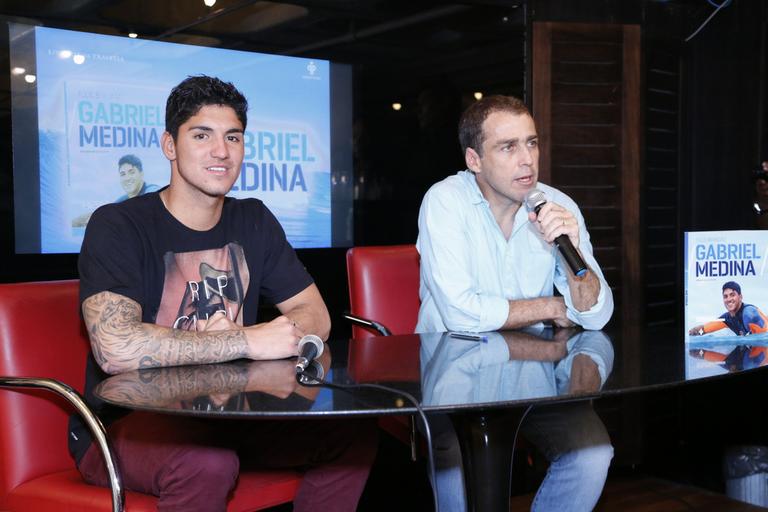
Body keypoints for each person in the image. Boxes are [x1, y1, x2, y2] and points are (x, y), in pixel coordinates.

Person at [69, 75, 376, 512]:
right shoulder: (118, 225)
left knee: (351, 436)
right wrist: (241, 341)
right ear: (169, 146)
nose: (221, 151)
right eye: (202, 135)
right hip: (129, 426)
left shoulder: (253, 219)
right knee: (207, 461)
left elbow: (315, 315)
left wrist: (285, 335)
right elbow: (114, 348)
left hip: (233, 418)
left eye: (233, 137)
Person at [416, 94, 614, 511]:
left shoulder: (556, 207)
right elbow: (461, 313)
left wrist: (573, 255)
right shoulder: (444, 201)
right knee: (462, 494)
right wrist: (552, 306)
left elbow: (596, 313)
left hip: (533, 380)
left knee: (593, 453)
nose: (527, 160)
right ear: (475, 160)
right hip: (452, 385)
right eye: (508, 147)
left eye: (532, 143)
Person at [71, 154, 160, 227]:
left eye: (131, 172)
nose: (127, 178)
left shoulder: (153, 191)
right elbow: (105, 213)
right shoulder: (123, 200)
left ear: (141, 174)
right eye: (123, 174)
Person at [688, 281, 768, 336]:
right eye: (725, 296)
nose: (729, 299)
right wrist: (691, 334)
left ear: (740, 297)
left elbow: (762, 341)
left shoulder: (750, 313)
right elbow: (703, 330)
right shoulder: (727, 319)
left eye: (732, 295)